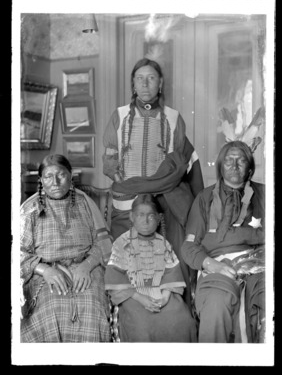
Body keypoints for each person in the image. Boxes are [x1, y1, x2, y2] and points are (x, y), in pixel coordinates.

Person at [103, 57, 204, 307]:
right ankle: (134, 314)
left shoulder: (173, 117)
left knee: (167, 263)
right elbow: (109, 159)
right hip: (127, 203)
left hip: (165, 202)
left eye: (151, 78)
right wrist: (127, 184)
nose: (145, 84)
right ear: (133, 84)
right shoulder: (119, 116)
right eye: (140, 78)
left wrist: (155, 188)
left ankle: (170, 313)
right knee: (128, 262)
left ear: (160, 84)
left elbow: (182, 160)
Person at [20, 154, 112, 342]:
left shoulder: (85, 202)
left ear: (71, 177)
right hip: (45, 273)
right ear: (40, 181)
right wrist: (45, 270)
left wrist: (86, 266)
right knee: (50, 306)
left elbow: (102, 243)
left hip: (86, 268)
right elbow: (19, 253)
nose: (55, 182)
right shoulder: (30, 209)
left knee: (91, 303)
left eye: (61, 175)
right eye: (48, 176)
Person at [181, 140, 265, 343]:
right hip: (217, 266)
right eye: (228, 161)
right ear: (220, 166)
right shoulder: (205, 198)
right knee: (216, 305)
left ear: (250, 167)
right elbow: (189, 246)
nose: (234, 166)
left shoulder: (264, 194)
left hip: (260, 264)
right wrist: (212, 265)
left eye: (241, 161)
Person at [105, 194, 198, 342]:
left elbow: (171, 273)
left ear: (159, 218)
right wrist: (141, 298)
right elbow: (115, 277)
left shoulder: (163, 243)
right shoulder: (121, 244)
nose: (146, 221)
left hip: (161, 293)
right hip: (133, 295)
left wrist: (165, 298)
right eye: (140, 215)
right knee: (142, 325)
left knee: (182, 319)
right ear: (131, 217)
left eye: (151, 216)